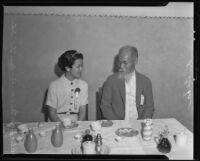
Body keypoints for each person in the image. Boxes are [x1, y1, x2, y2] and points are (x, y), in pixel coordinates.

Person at [100, 45, 154, 120]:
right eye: (119, 62)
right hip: (117, 125)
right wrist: (118, 124)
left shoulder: (146, 82)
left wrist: (141, 123)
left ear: (135, 61)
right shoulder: (111, 81)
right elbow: (105, 106)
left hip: (139, 124)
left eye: (125, 63)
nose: (121, 66)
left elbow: (149, 108)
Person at [45, 50, 88, 122]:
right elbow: (52, 113)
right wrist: (62, 126)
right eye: (78, 66)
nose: (81, 69)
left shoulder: (83, 85)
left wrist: (78, 125)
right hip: (56, 122)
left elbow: (82, 110)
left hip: (76, 121)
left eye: (82, 66)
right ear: (67, 68)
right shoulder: (54, 85)